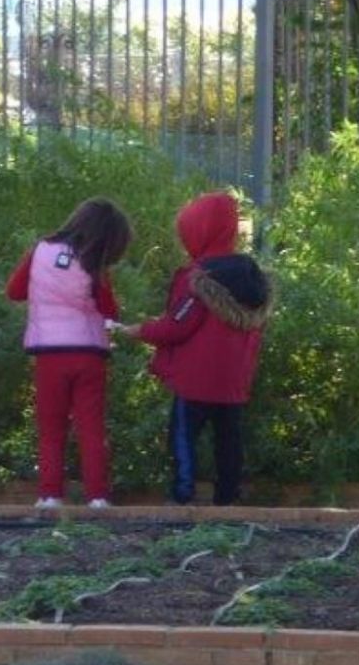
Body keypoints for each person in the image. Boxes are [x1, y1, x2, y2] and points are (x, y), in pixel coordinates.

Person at [115, 192, 271, 506]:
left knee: (183, 438)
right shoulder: (252, 278)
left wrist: (139, 330)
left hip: (196, 379)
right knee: (229, 440)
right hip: (234, 381)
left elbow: (177, 326)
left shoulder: (198, 279)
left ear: (199, 231)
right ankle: (227, 500)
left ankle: (182, 495)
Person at [6, 198, 132, 509]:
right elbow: (109, 309)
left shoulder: (39, 251)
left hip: (48, 352)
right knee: (91, 428)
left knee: (50, 428)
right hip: (89, 353)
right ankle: (98, 497)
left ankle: (50, 495)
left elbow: (15, 291)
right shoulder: (94, 263)